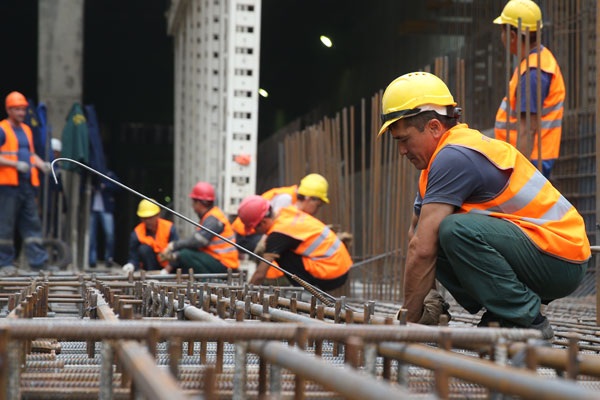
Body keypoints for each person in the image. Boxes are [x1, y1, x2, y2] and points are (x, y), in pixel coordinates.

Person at [378, 71, 590, 339]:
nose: (402, 151)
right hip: (540, 254)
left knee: (454, 230)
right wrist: (428, 301)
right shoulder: (433, 166)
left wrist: (405, 323)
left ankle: (528, 321)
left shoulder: (455, 156)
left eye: (404, 139)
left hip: (562, 259)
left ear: (433, 127)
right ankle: (503, 312)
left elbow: (421, 250)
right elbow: (417, 237)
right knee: (434, 232)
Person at [493, 0, 565, 179]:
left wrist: (519, 175)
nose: (501, 36)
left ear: (512, 36)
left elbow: (528, 128)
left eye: (503, 30)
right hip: (532, 157)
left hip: (531, 160)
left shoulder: (533, 73)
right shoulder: (536, 62)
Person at [236, 195, 352, 291]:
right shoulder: (287, 212)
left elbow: (260, 274)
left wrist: (246, 293)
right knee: (278, 249)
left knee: (280, 254)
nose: (256, 232)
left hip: (332, 274)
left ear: (263, 222)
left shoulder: (278, 234)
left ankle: (307, 292)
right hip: (340, 266)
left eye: (255, 228)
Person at [0, 91, 51, 272]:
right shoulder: (2, 129)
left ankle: (39, 263)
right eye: (18, 109)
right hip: (7, 186)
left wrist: (41, 164)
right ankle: (4, 263)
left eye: (23, 109)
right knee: (5, 225)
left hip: (26, 185)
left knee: (32, 224)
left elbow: (29, 154)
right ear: (9, 110)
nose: (22, 113)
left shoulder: (27, 130)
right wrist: (15, 165)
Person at [160, 181, 239, 273]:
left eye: (193, 202)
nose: (192, 206)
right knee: (184, 254)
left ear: (199, 203)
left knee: (185, 255)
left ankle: (207, 283)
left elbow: (197, 242)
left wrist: (174, 246)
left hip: (225, 264)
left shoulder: (213, 219)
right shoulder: (210, 217)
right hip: (219, 260)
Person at [122, 199, 179, 273]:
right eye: (145, 218)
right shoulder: (137, 233)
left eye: (150, 217)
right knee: (144, 249)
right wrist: (131, 265)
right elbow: (134, 256)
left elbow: (177, 252)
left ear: (158, 215)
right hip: (150, 266)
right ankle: (152, 276)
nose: (148, 221)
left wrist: (166, 270)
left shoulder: (169, 228)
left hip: (169, 267)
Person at [89, 169, 119, 268]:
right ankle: (91, 260)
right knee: (91, 236)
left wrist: (104, 186)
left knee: (109, 234)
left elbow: (117, 187)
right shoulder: (90, 174)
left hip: (106, 209)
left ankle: (109, 258)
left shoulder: (109, 174)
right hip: (92, 209)